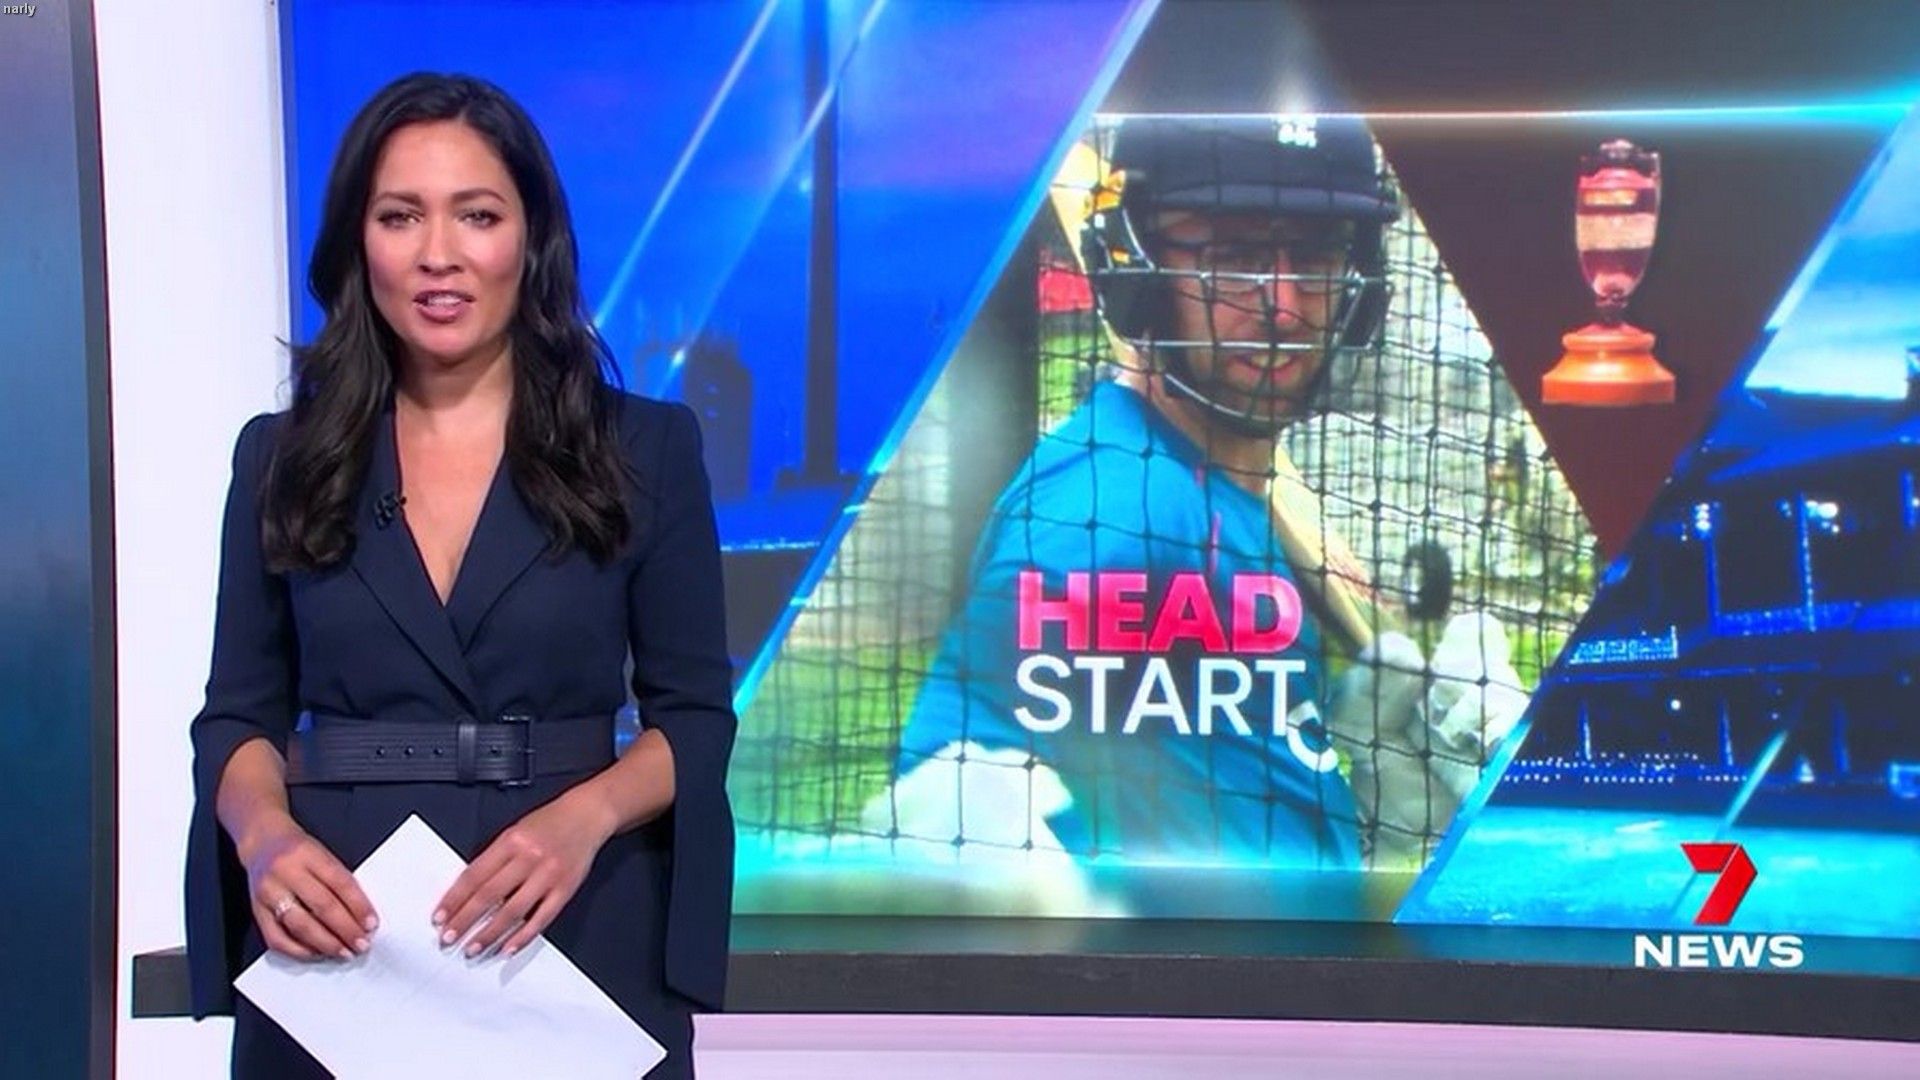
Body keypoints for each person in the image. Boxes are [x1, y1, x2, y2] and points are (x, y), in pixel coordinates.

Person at [182, 73, 735, 1078]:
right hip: (342, 934)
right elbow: (238, 718)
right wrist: (264, 842)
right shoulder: (281, 458)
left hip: (570, 921)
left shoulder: (643, 449)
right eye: (400, 216)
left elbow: (692, 720)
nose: (438, 254)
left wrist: (583, 821)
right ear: (359, 241)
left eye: (477, 215)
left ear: (532, 238)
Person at [881, 116, 1525, 904]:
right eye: (1236, 257)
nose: (1285, 306)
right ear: (1136, 271)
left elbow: (1205, 830)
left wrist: (1378, 829)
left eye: (1316, 257)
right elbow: (945, 802)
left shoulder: (1221, 498)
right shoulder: (1116, 517)